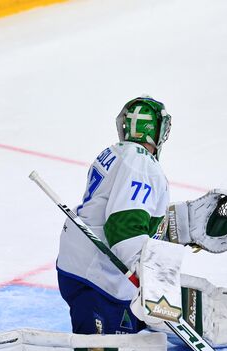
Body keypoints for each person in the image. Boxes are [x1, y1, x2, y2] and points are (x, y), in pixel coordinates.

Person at [56, 95, 172, 335]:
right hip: (97, 279)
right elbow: (124, 228)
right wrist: (152, 282)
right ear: (158, 130)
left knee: (133, 331)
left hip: (76, 266)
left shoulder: (114, 152)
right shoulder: (142, 164)